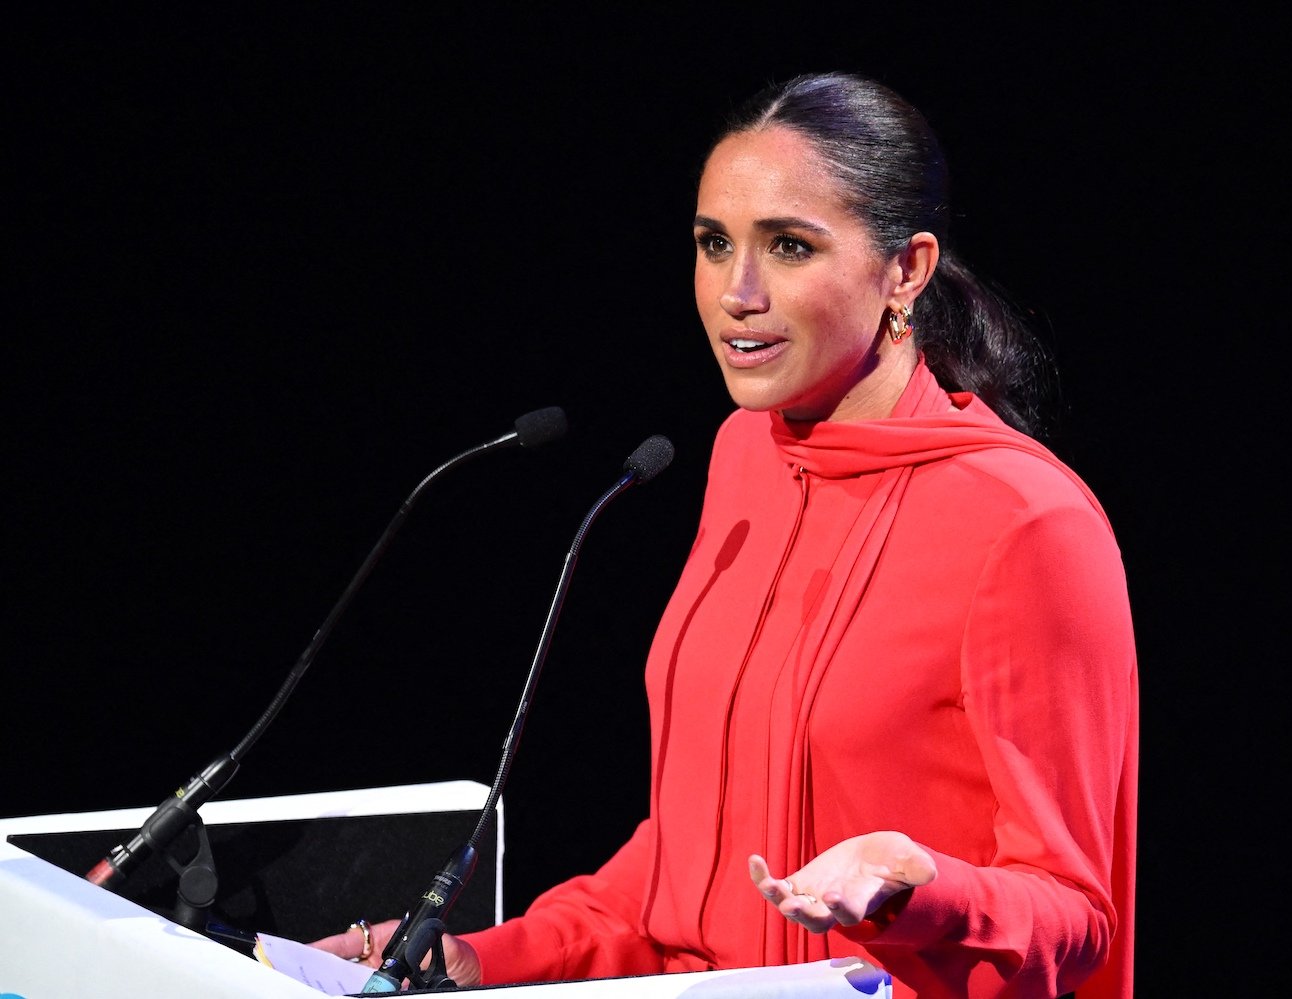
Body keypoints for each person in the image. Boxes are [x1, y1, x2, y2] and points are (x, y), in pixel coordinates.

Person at [313, 70, 1138, 999]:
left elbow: (1075, 912)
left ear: (905, 269)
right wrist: (484, 957)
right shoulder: (744, 456)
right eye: (714, 244)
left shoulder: (1030, 523)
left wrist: (919, 886)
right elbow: (688, 863)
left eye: (788, 246)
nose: (736, 292)